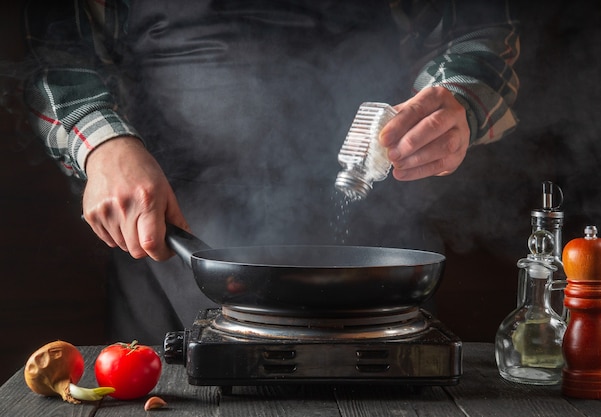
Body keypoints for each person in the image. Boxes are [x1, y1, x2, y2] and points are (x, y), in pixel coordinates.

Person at [22, 0, 520, 344]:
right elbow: (54, 50)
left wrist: (458, 102)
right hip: (169, 223)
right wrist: (102, 144)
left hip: (369, 223)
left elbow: (477, 29)